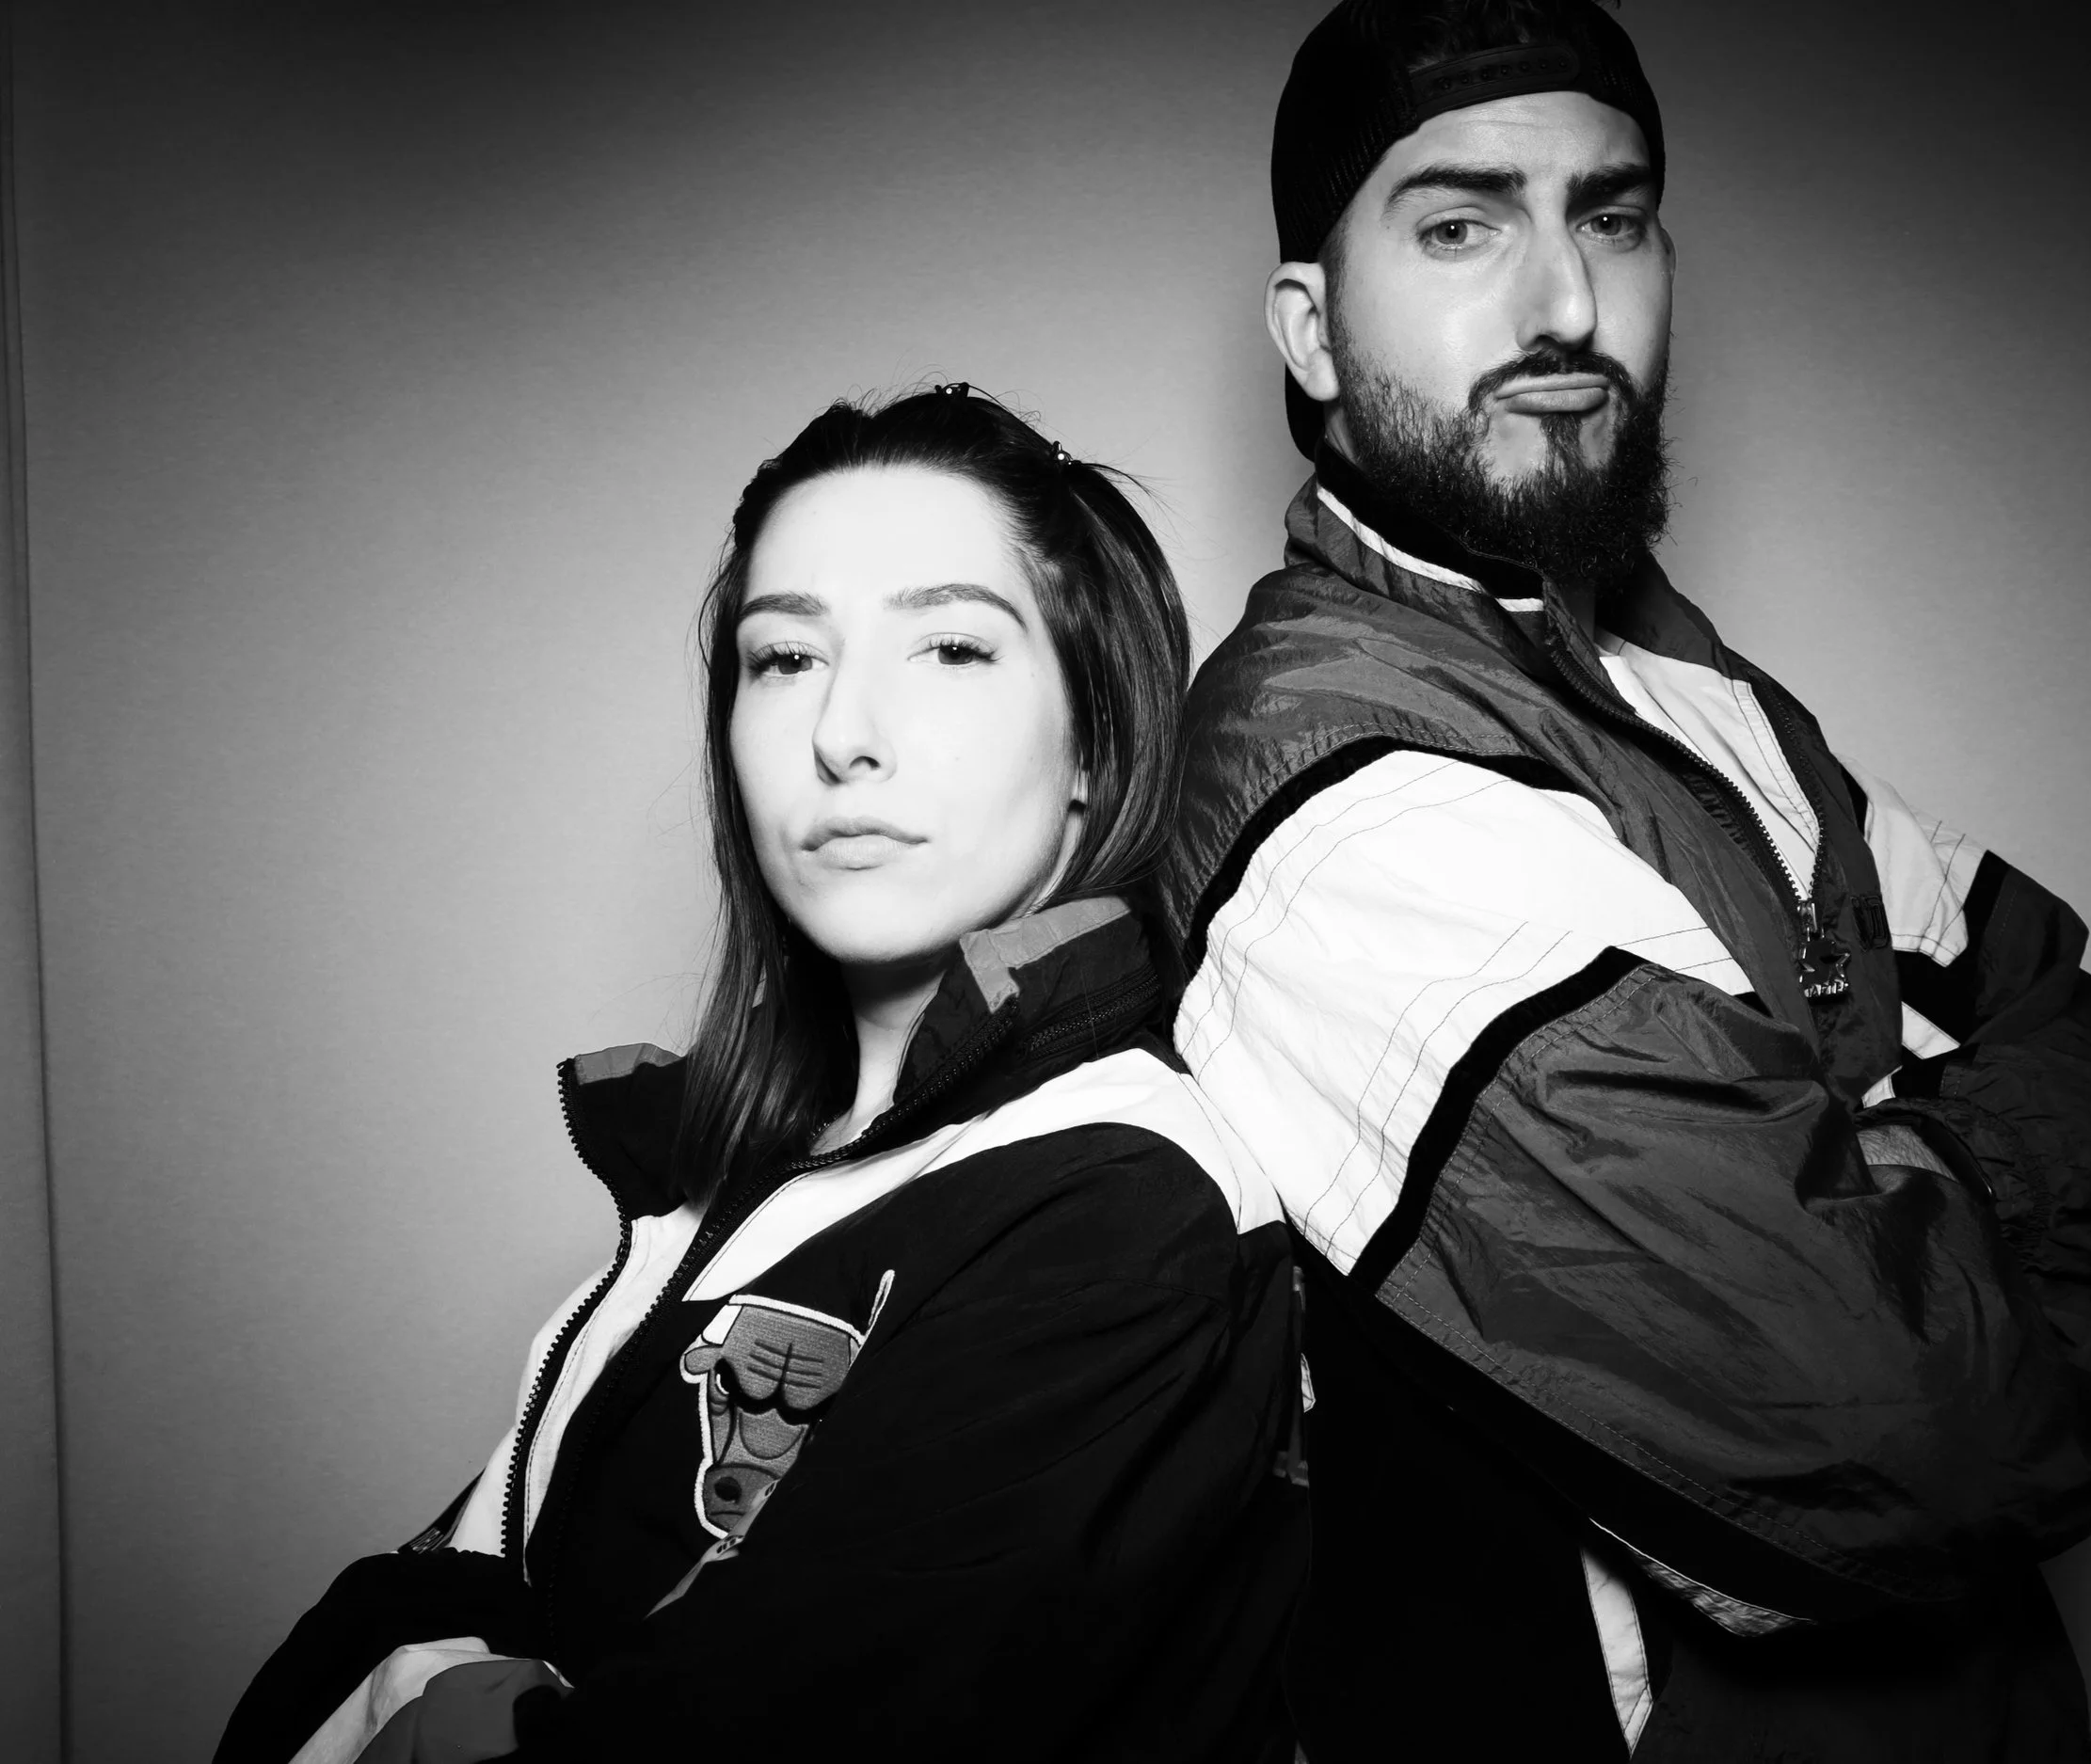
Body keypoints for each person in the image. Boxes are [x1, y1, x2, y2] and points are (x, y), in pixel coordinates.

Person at [1160, 4, 2091, 1759]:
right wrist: (1947, 1161)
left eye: (1612, 214)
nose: (1568, 305)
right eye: (1460, 223)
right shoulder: (1322, 772)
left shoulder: (1699, 684)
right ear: (1312, 331)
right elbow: (1896, 1431)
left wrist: (1883, 1184)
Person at [215, 385, 1302, 1764]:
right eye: (782, 658)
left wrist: (437, 1707)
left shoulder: (1124, 1200)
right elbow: (439, 1588)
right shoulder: (738, 1180)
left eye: (952, 647)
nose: (844, 730)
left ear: (1093, 745)